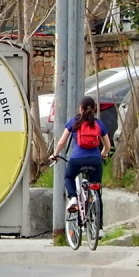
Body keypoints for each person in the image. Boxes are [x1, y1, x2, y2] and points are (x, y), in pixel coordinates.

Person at [49, 95, 112, 233]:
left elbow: (61, 142)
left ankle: (73, 198)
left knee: (69, 177)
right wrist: (102, 154)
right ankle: (99, 229)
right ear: (94, 109)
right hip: (95, 160)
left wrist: (55, 155)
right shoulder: (98, 124)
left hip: (76, 160)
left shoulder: (74, 122)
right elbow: (107, 145)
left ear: (80, 108)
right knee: (96, 191)